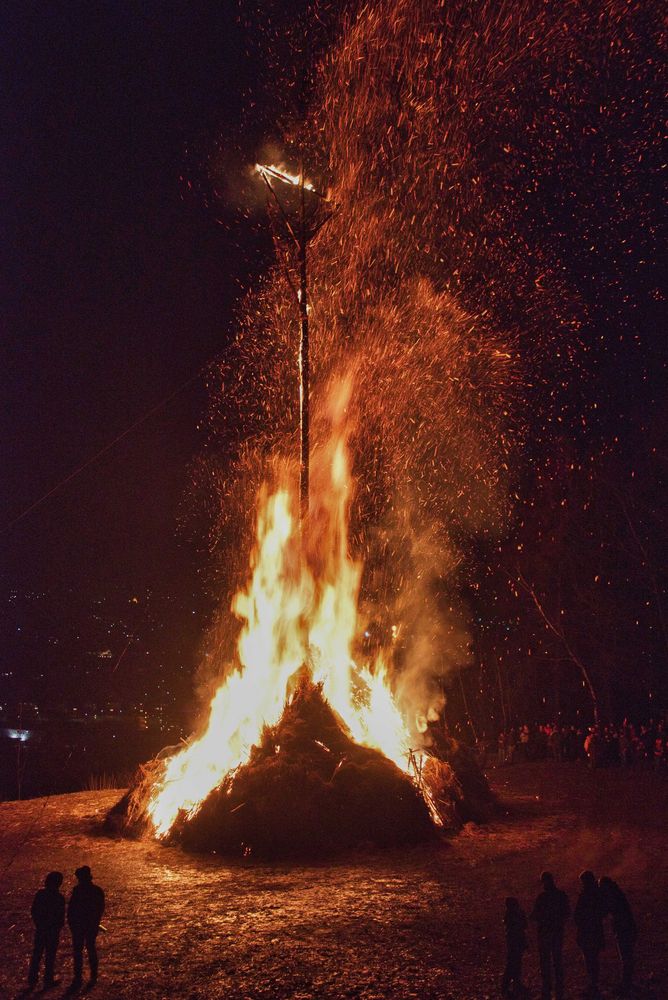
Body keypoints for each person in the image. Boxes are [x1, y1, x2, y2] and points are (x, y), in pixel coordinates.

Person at [530, 871, 570, 1000]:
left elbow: (535, 915)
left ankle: (547, 986)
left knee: (545, 961)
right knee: (557, 959)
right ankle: (559, 986)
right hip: (557, 931)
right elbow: (567, 912)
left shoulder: (542, 897)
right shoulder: (561, 895)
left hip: (545, 932)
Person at [67, 865, 105, 990]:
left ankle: (78, 976)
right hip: (91, 925)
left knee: (78, 951)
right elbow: (100, 909)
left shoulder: (77, 890)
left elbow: (71, 909)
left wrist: (71, 923)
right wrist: (95, 922)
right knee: (91, 948)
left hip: (78, 925)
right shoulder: (97, 890)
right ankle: (93, 975)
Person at [27, 871, 65, 990]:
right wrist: (57, 927)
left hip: (41, 929)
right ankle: (48, 979)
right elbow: (60, 916)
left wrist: (39, 924)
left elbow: (34, 911)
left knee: (37, 954)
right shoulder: (59, 898)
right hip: (52, 930)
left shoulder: (41, 894)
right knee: (50, 955)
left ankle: (32, 979)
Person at [599, 876, 637, 995]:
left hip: (624, 930)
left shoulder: (613, 896)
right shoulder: (616, 893)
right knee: (627, 957)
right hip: (626, 929)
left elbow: (606, 910)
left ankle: (626, 984)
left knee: (626, 957)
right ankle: (627, 982)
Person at [574, 870, 605, 996]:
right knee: (593, 958)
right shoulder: (598, 895)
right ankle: (594, 983)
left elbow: (578, 914)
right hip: (595, 931)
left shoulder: (586, 896)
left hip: (587, 932)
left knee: (589, 958)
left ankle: (593, 984)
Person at [501, 896, 528, 996]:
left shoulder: (510, 915)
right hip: (516, 941)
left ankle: (511, 984)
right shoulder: (517, 914)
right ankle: (510, 984)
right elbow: (524, 926)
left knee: (513, 963)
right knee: (514, 963)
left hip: (514, 942)